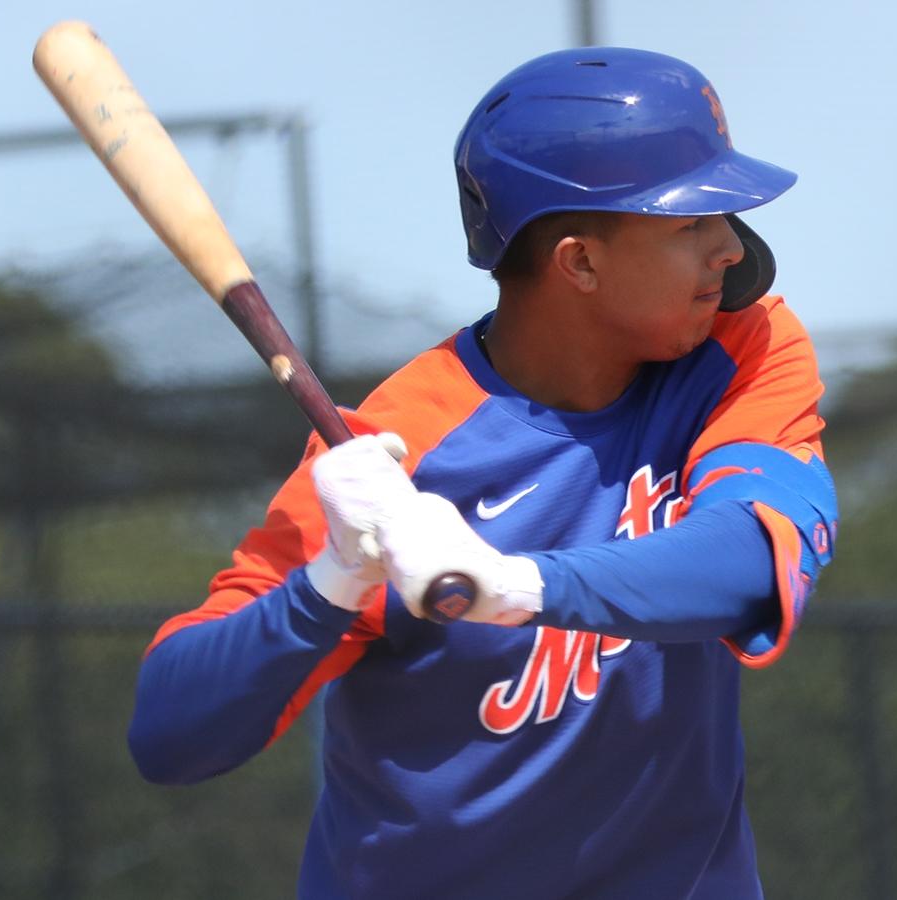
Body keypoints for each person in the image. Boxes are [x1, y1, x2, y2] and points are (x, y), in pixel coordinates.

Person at [128, 46, 838, 899]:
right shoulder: (398, 452)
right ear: (579, 262)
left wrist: (504, 582)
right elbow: (171, 732)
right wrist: (331, 583)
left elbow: (743, 563)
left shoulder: (740, 350)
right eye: (690, 222)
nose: (730, 247)